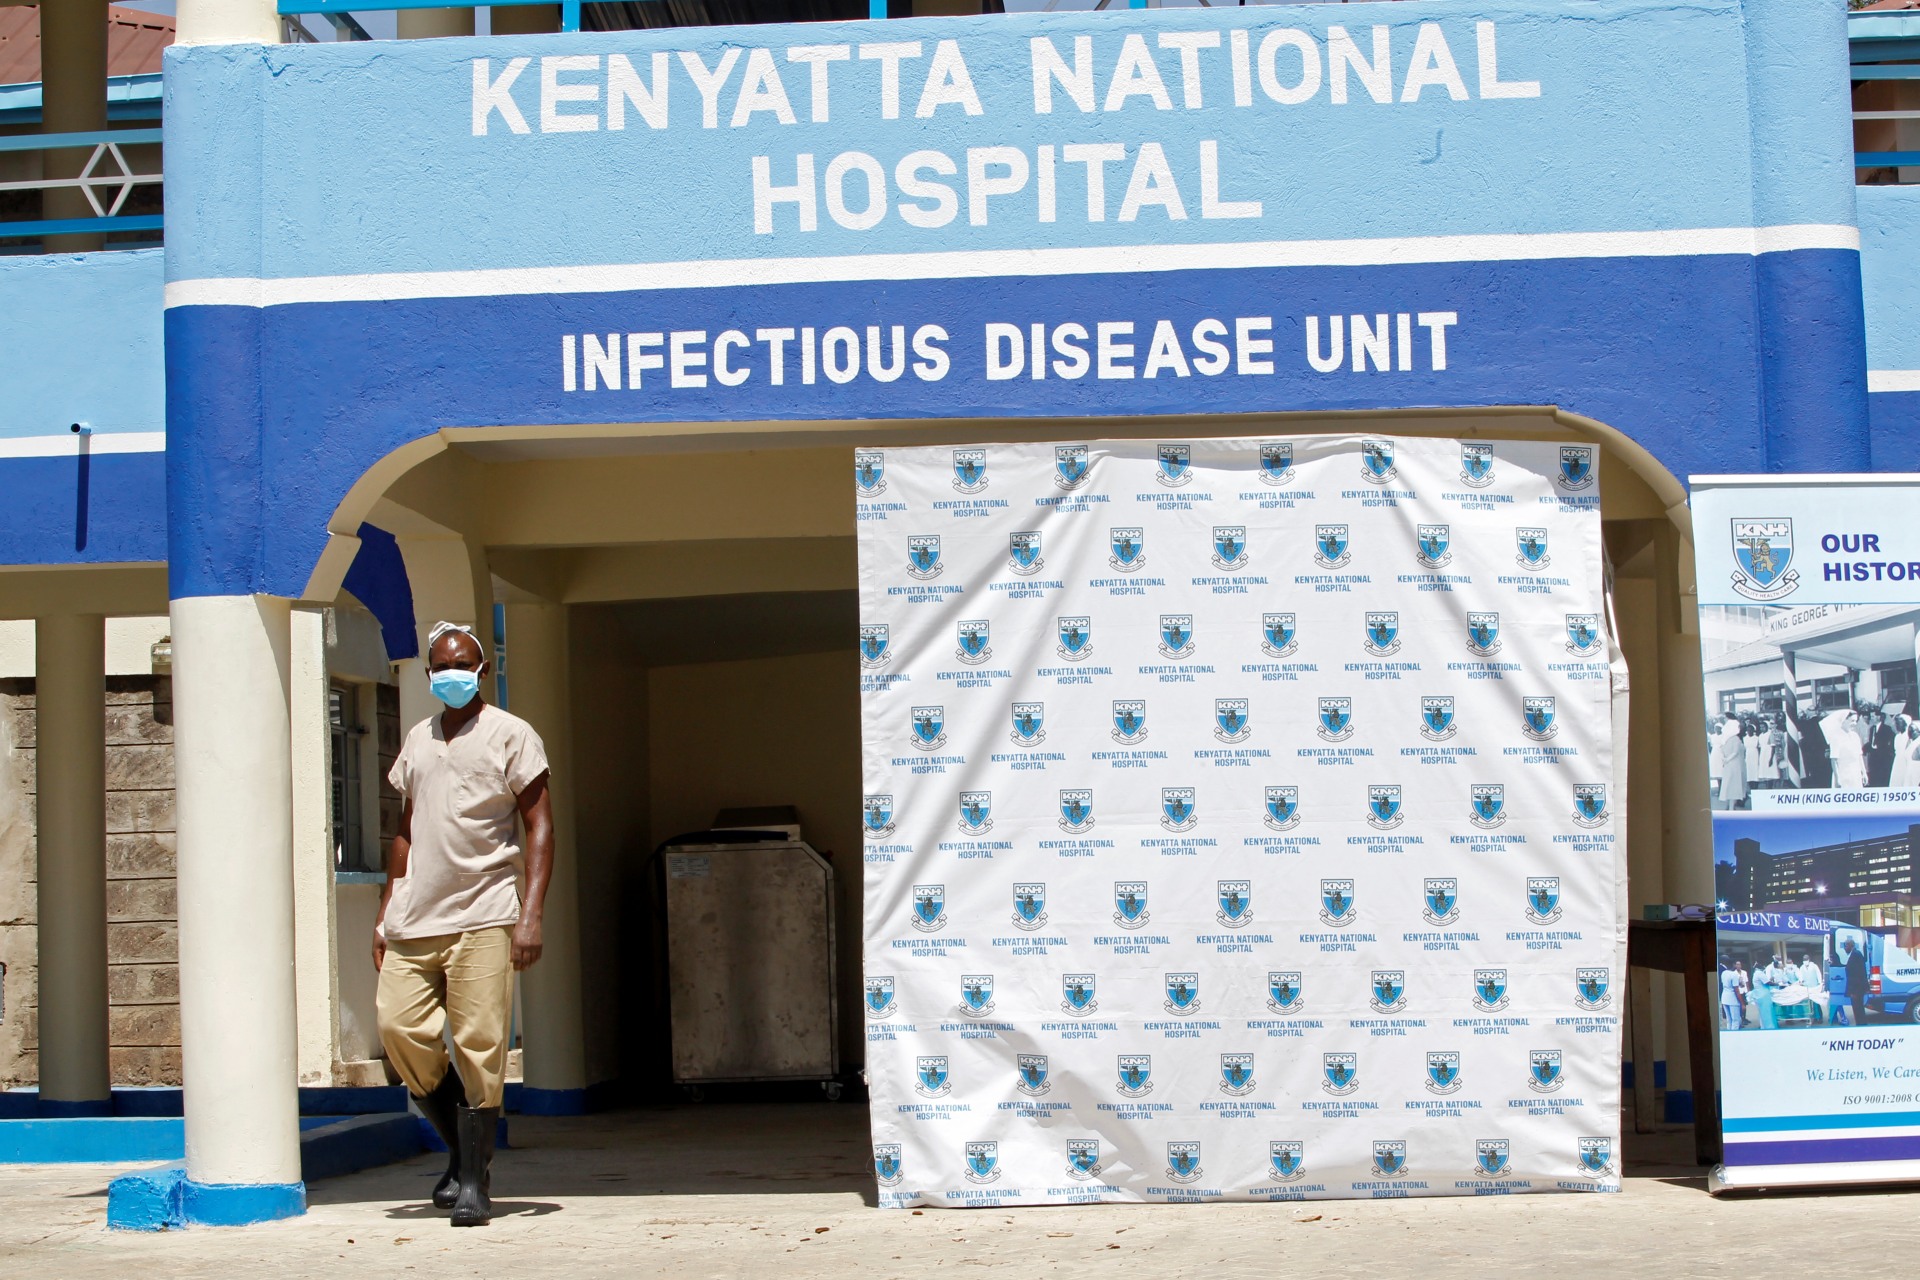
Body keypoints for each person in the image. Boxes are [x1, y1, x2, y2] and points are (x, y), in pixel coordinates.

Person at [374, 622, 554, 1228]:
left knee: (481, 1046)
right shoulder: (419, 740)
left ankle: (475, 1182)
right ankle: (462, 1150)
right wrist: (384, 910)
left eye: (464, 667)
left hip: (485, 912)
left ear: (482, 672)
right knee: (400, 1030)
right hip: (415, 916)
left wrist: (530, 914)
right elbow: (404, 830)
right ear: (428, 676)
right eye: (442, 668)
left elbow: (541, 826)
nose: (452, 676)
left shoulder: (511, 735)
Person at [1824, 709, 1866, 789]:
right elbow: (1834, 760)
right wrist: (1837, 778)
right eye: (1852, 721)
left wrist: (1864, 773)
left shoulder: (1855, 736)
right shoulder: (1836, 737)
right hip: (1843, 773)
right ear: (1844, 720)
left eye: (1856, 721)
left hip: (1856, 773)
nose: (1854, 724)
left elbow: (1859, 756)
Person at [1716, 714, 1748, 810]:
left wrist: (1725, 759)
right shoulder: (1734, 739)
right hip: (1734, 765)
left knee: (1731, 785)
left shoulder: (1728, 740)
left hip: (1732, 764)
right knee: (1734, 785)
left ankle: (1731, 806)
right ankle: (1731, 807)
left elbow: (1727, 751)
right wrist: (1726, 759)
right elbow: (1734, 752)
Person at [1840, 938, 1870, 1027]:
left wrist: (1854, 992)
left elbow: (1858, 974)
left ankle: (1861, 1026)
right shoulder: (1855, 954)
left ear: (1850, 945)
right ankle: (1861, 1025)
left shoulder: (1856, 955)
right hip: (1856, 989)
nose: (1845, 948)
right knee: (1858, 1010)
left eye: (1845, 946)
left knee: (1858, 1010)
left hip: (1856, 990)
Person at [1866, 709, 1896, 788]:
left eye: (1873, 716)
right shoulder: (1872, 728)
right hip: (1873, 759)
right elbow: (1871, 742)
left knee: (1882, 781)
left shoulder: (1887, 729)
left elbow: (1890, 745)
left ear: (1879, 717)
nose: (1871, 718)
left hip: (1883, 760)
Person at [1719, 955, 1744, 1031]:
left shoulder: (1724, 973)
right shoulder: (1734, 975)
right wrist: (1742, 1003)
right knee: (1736, 1021)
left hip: (1724, 998)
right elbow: (1737, 990)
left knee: (1729, 1021)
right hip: (1732, 999)